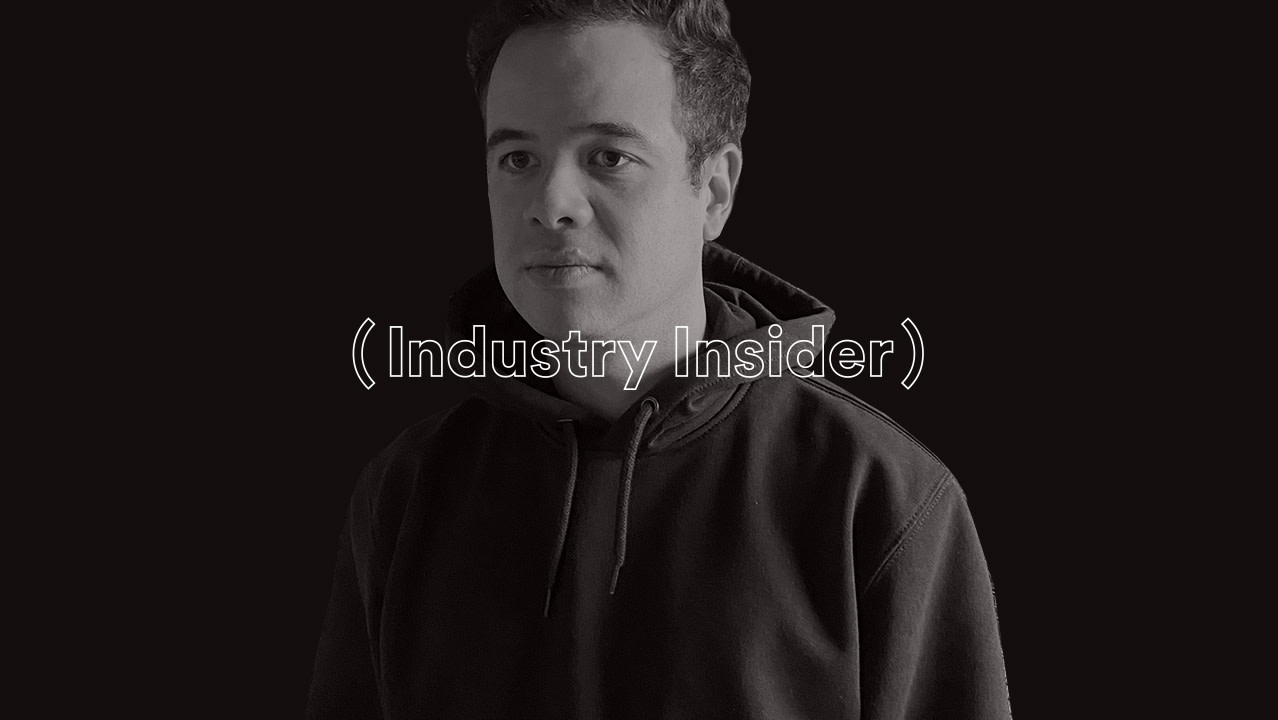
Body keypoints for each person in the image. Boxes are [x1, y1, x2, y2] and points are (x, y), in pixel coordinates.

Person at [307, 1, 1011, 717]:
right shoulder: (406, 492)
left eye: (609, 157)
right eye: (517, 158)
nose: (551, 203)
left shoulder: (878, 498)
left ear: (714, 190)